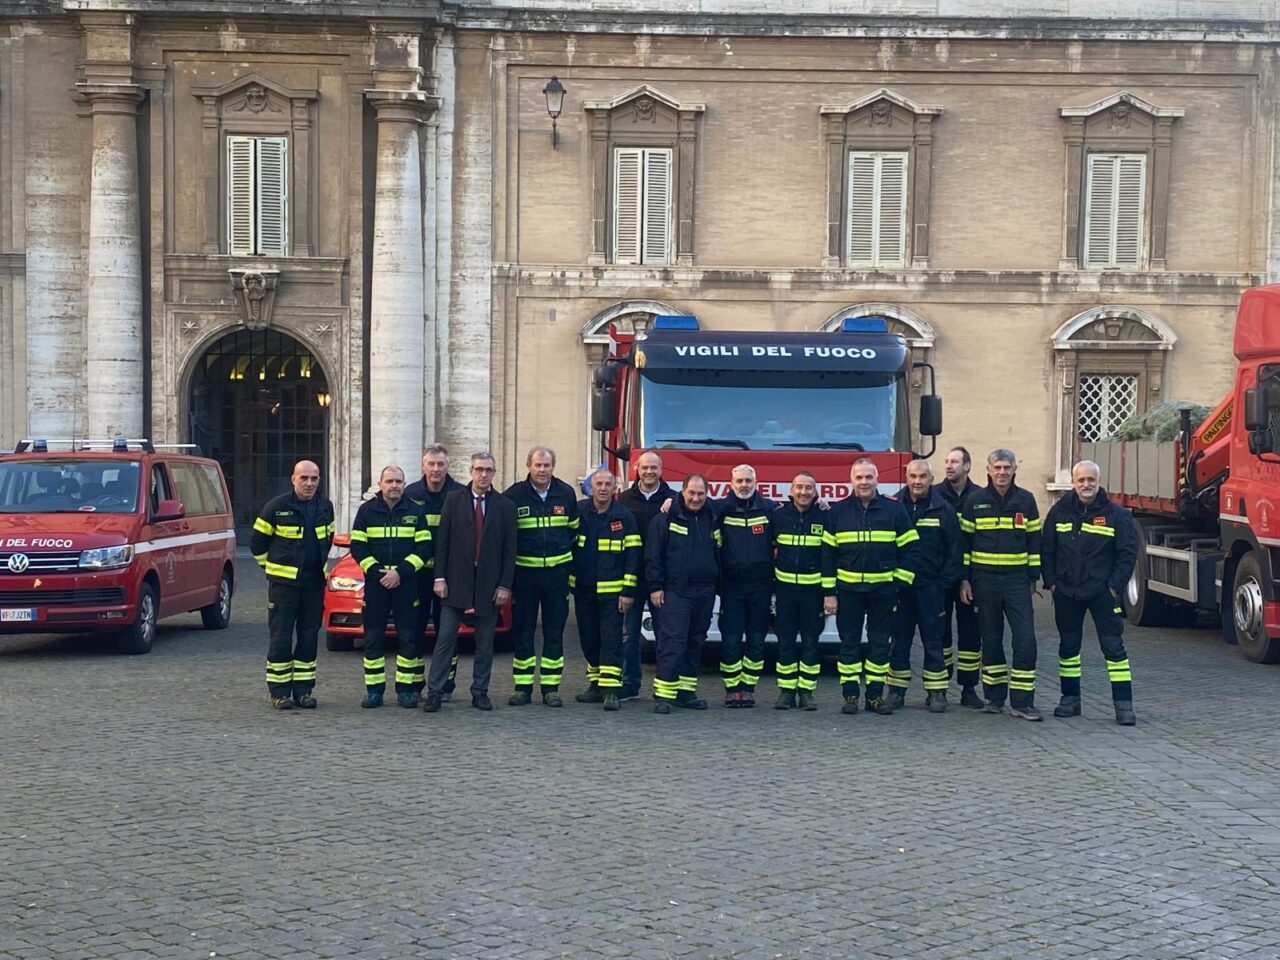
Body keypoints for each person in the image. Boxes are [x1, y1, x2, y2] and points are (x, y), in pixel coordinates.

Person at [1042, 459, 1138, 725]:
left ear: (1099, 481)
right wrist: (1051, 582)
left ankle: (1123, 705)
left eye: (1091, 480)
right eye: (1081, 480)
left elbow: (1127, 554)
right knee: (1068, 648)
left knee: (1114, 648)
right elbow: (1046, 549)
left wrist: (1113, 587)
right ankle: (1069, 700)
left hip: (1101, 593)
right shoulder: (1058, 512)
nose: (1086, 485)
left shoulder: (1117, 515)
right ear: (1073, 483)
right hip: (1066, 591)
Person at [823, 458, 920, 715]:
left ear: (877, 480)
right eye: (859, 477)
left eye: (869, 477)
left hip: (883, 591)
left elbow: (911, 548)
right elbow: (828, 556)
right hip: (848, 591)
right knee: (849, 644)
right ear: (851, 480)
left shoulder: (894, 510)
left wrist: (898, 582)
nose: (864, 482)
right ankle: (850, 695)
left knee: (879, 643)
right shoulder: (837, 512)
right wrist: (829, 593)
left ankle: (875, 696)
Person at [424, 452, 517, 713]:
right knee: (445, 639)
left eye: (488, 470)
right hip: (455, 582)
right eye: (479, 469)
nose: (483, 475)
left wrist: (504, 585)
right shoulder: (454, 501)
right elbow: (442, 543)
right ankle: (435, 691)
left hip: (489, 585)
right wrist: (439, 577)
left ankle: (480, 692)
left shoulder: (505, 506)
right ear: (471, 471)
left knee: (485, 643)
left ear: (494, 474)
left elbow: (510, 551)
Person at [959, 448, 1044, 721]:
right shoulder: (975, 501)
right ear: (988, 470)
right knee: (991, 640)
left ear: (1014, 470)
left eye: (1007, 468)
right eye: (997, 467)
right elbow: (964, 546)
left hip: (1017, 582)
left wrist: (1033, 577)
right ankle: (994, 698)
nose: (1002, 472)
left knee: (1025, 640)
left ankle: (1022, 702)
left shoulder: (1026, 501)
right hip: (984, 582)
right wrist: (965, 580)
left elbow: (1034, 542)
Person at [250, 459, 335, 710]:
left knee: (309, 638)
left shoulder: (325, 507)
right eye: (304, 478)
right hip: (283, 586)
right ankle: (279, 692)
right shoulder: (276, 507)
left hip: (313, 583)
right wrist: (272, 569)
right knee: (281, 637)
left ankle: (304, 691)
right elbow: (257, 543)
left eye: (314, 479)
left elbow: (327, 539)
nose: (309, 483)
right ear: (293, 479)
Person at [503, 445, 580, 707]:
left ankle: (551, 688)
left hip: (556, 577)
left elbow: (574, 532)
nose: (542, 470)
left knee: (554, 632)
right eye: (538, 465)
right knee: (523, 632)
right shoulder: (514, 496)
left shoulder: (566, 493)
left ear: (553, 467)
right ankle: (522, 688)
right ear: (529, 466)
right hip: (524, 576)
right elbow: (505, 538)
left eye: (547, 465)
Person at [349, 466, 432, 708]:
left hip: (407, 584)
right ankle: (374, 691)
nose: (394, 485)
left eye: (398, 481)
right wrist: (378, 573)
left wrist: (399, 572)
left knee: (408, 638)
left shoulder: (416, 512)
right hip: (376, 586)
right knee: (373, 639)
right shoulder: (366, 511)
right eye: (389, 481)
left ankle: (405, 691)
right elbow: (358, 547)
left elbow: (424, 549)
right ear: (380, 483)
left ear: (404, 484)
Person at [888, 459, 962, 713]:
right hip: (902, 588)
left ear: (931, 479)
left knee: (934, 641)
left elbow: (955, 550)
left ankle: (937, 692)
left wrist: (943, 583)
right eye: (912, 476)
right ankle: (896, 693)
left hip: (931, 588)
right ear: (906, 478)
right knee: (900, 641)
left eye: (922, 476)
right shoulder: (894, 506)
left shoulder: (944, 509)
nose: (917, 481)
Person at [646, 474, 721, 714]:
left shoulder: (714, 516)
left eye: (701, 494)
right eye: (692, 493)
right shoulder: (666, 517)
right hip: (676, 591)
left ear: (707, 494)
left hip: (705, 591)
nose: (696, 498)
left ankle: (686, 692)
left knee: (695, 642)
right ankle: (664, 695)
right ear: (683, 492)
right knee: (673, 642)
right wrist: (655, 587)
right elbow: (653, 556)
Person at [572, 468, 642, 711]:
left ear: (615, 488)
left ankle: (611, 690)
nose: (602, 488)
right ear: (591, 487)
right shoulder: (579, 512)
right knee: (588, 639)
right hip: (583, 590)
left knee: (611, 641)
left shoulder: (624, 516)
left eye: (607, 484)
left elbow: (634, 554)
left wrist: (628, 590)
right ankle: (595, 685)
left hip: (613, 594)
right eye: (598, 484)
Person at [404, 445, 465, 699]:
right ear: (423, 466)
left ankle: (445, 686)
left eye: (440, 464)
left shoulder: (460, 493)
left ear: (447, 466)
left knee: (447, 632)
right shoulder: (411, 493)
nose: (436, 469)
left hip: (449, 577)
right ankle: (415, 684)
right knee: (414, 630)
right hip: (417, 575)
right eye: (431, 464)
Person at [714, 464, 775, 708]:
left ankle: (748, 688)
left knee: (757, 640)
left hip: (761, 586)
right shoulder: (720, 509)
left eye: (748, 480)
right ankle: (732, 688)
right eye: (739, 481)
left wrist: (821, 505)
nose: (744, 485)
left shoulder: (769, 509)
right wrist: (669, 504)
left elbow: (797, 516)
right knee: (730, 639)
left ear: (756, 482)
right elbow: (688, 504)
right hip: (732, 586)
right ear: (731, 483)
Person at [618, 451, 675, 700]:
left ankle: (664, 687)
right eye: (645, 468)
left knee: (665, 635)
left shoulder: (675, 499)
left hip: (662, 580)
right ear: (636, 470)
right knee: (629, 635)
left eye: (654, 467)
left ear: (661, 470)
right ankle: (630, 684)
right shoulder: (623, 500)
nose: (649, 472)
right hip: (632, 577)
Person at [771, 471, 829, 711]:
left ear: (815, 492)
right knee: (784, 642)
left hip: (812, 594)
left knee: (810, 643)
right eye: (799, 488)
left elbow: (829, 556)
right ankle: (786, 692)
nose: (804, 492)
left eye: (808, 488)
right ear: (791, 491)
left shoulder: (825, 516)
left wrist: (828, 591)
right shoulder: (778, 516)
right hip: (785, 592)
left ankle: (806, 692)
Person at [939, 446, 983, 708]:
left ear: (967, 466)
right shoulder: (933, 494)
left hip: (969, 578)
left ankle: (969, 688)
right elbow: (896, 505)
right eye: (946, 461)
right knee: (940, 634)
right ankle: (939, 687)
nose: (948, 466)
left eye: (954, 461)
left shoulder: (979, 497)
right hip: (941, 577)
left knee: (970, 635)